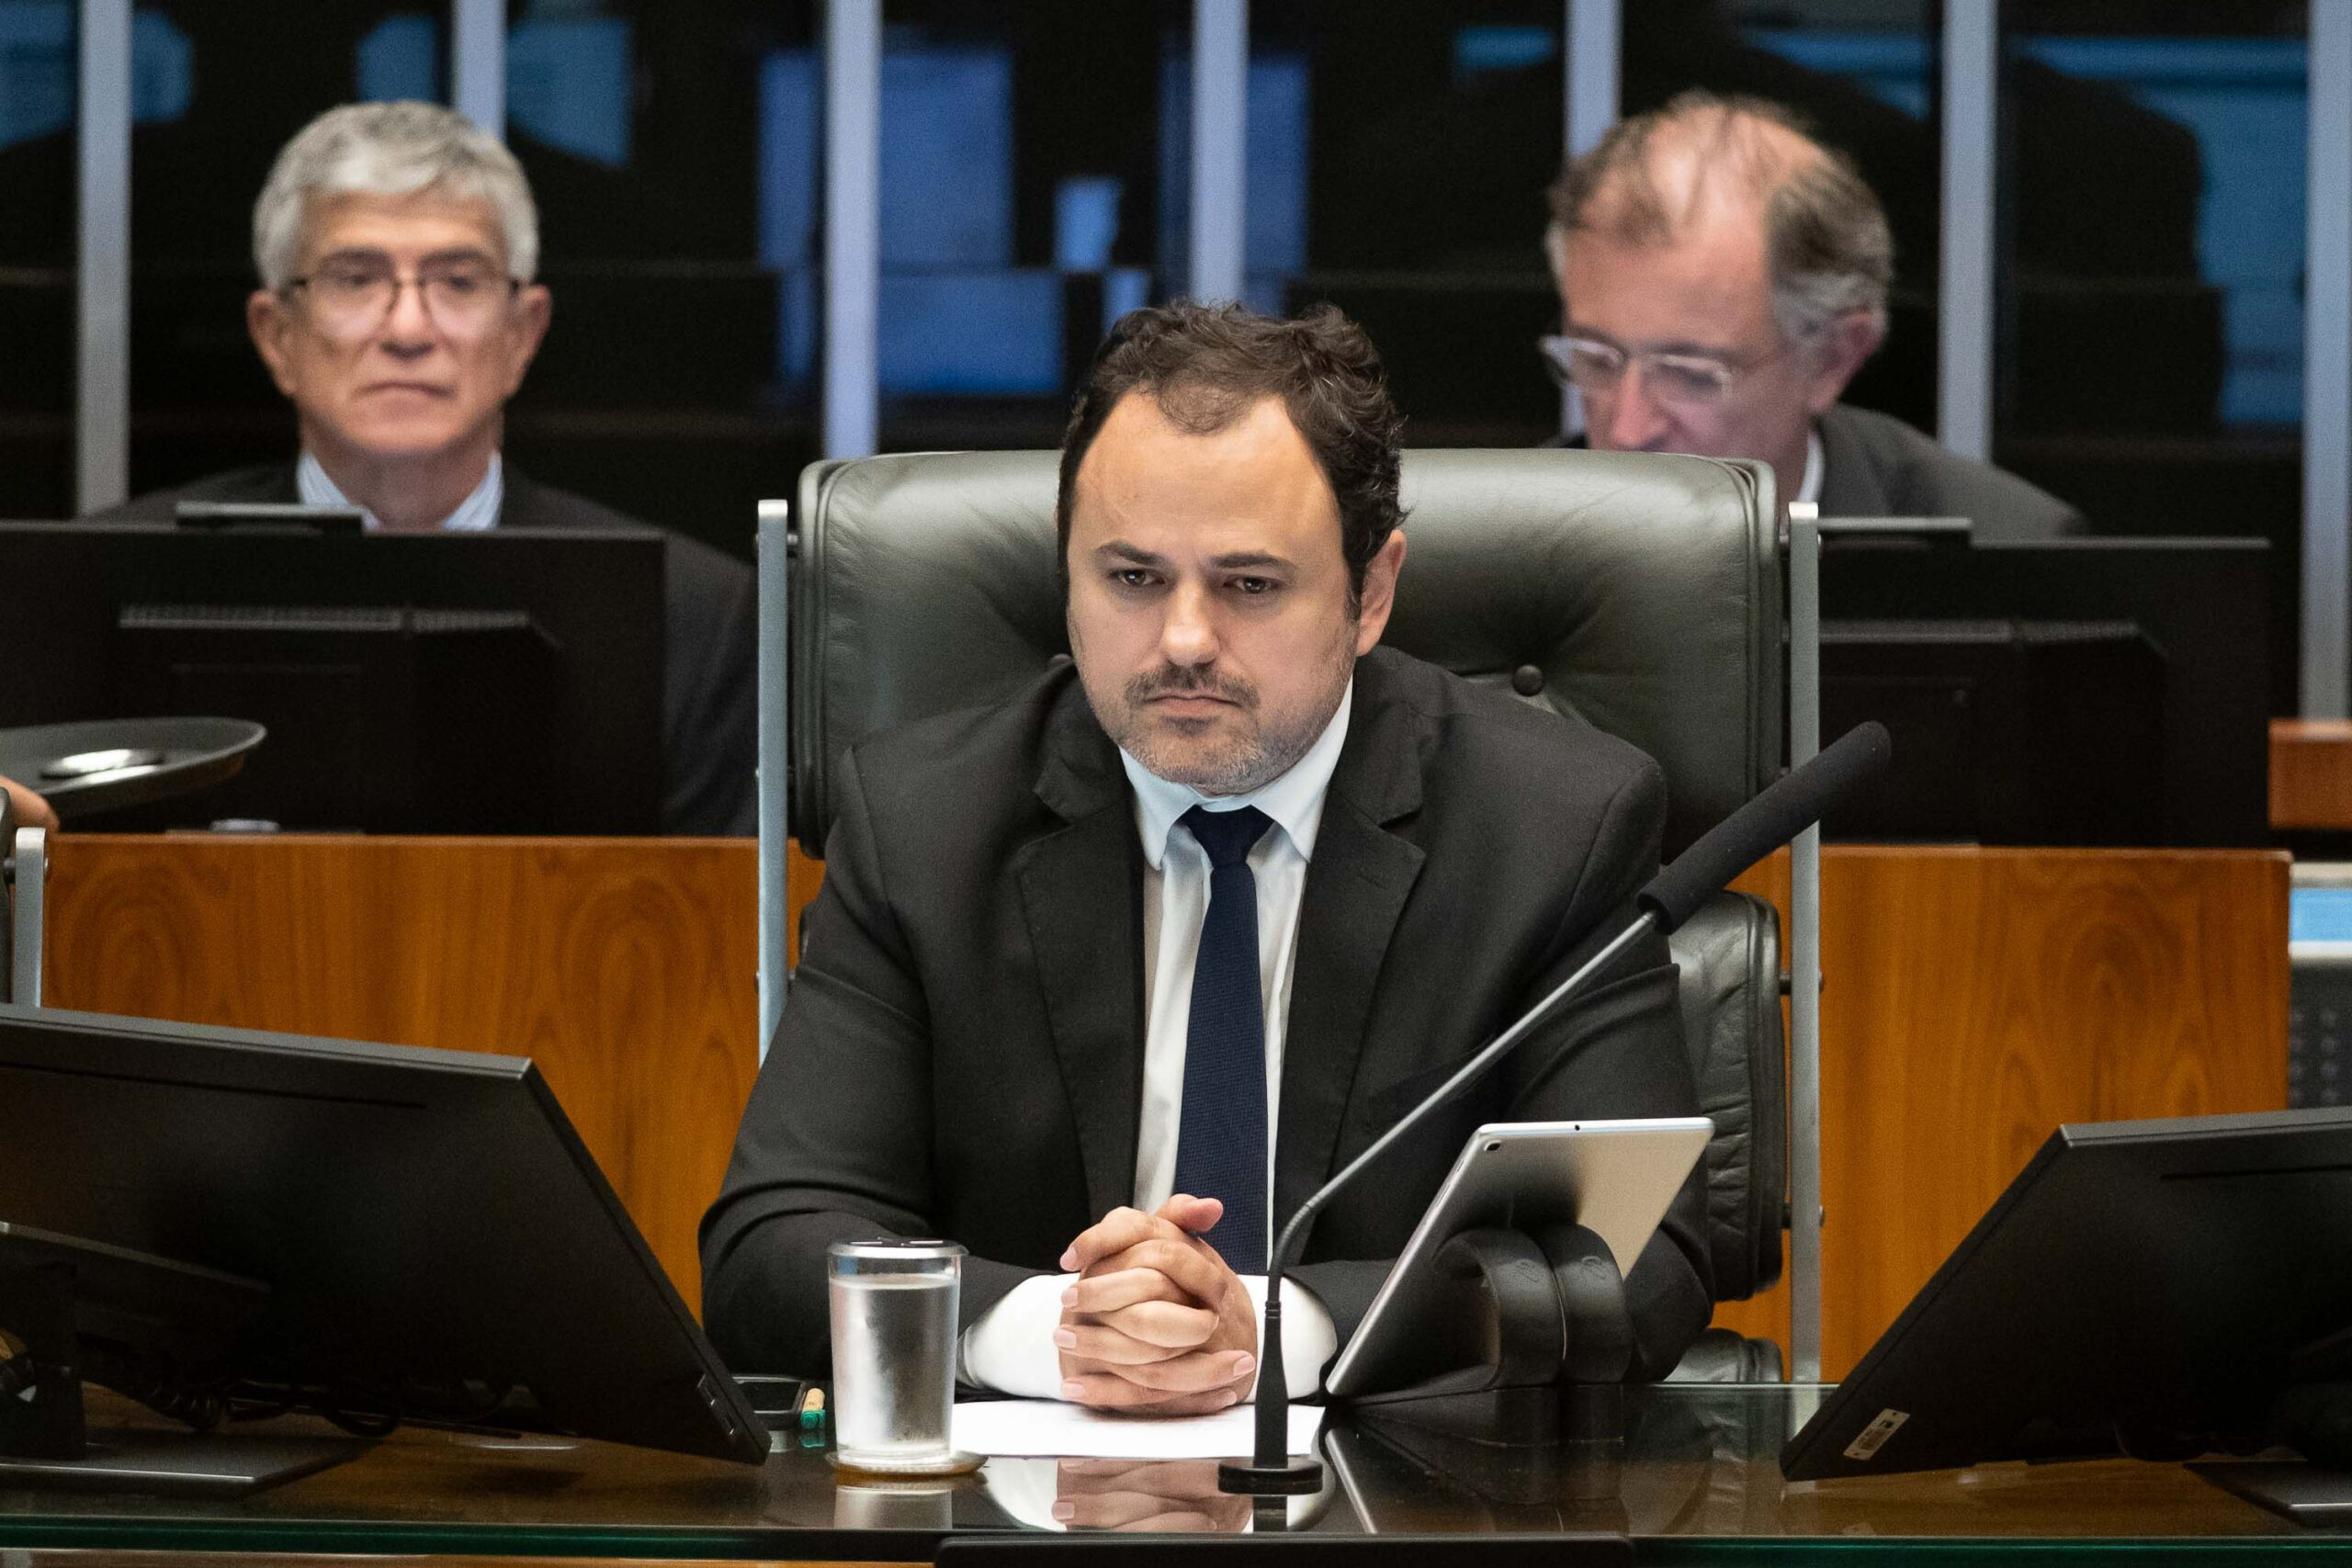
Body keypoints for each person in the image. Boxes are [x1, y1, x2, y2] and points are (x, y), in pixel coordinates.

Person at [701, 301, 1712, 1410]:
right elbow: (769, 1249)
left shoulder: (1552, 826)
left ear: (1370, 594)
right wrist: (1052, 1329)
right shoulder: (923, 823)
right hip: (1022, 1490)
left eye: (1249, 584)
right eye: (1132, 579)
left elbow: (1637, 1265)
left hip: (1397, 1489)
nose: (1183, 640)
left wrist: (1281, 1331)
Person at [88, 102, 754, 835]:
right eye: (355, 278)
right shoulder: (106, 585)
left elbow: (716, 901)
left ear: (522, 334)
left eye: (458, 281)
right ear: (276, 336)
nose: (408, 329)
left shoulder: (693, 615)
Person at [1544, 90, 2085, 540]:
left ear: (1831, 359)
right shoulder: (1504, 545)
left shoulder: (2005, 557)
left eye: (1690, 373)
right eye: (1596, 358)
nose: (1628, 430)